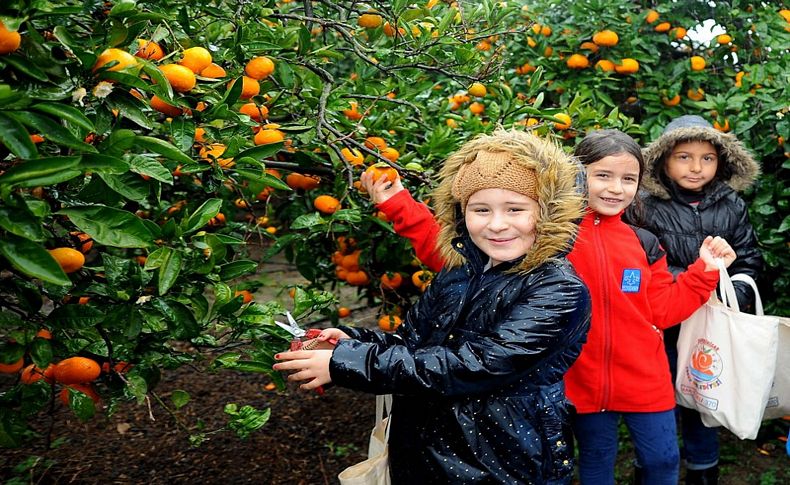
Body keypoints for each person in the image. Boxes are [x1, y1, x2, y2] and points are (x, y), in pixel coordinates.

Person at [353, 128, 737, 484]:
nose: (615, 188)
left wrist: (703, 271)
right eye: (602, 176)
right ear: (574, 178)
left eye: (628, 179)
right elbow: (453, 250)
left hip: (644, 379)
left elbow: (662, 310)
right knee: (596, 464)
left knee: (662, 462)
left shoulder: (644, 242)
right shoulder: (547, 237)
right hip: (579, 386)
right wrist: (398, 204)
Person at [274, 130, 592, 483]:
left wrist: (346, 364)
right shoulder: (459, 273)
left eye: (515, 209)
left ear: (547, 215)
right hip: (426, 452)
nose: (496, 224)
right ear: (460, 213)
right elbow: (413, 344)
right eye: (481, 209)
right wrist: (349, 342)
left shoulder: (556, 288)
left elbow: (474, 366)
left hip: (502, 460)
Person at [635, 115, 762, 484]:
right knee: (658, 399)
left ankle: (704, 471)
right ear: (663, 160)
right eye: (684, 157)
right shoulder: (646, 204)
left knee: (703, 395)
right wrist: (686, 282)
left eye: (707, 158)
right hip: (664, 323)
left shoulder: (730, 203)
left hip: (711, 324)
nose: (696, 167)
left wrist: (729, 293)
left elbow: (749, 257)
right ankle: (653, 467)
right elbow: (641, 262)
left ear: (721, 161)